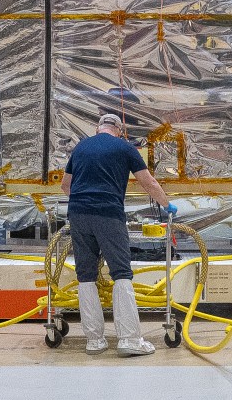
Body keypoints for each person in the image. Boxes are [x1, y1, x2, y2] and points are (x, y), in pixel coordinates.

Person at [60, 112, 176, 356]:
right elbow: (149, 183)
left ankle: (94, 341)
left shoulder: (81, 147)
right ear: (120, 130)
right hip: (108, 214)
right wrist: (167, 205)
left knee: (86, 275)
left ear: (97, 128)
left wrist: (84, 202)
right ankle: (129, 340)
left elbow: (65, 185)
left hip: (78, 214)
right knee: (121, 272)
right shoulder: (124, 148)